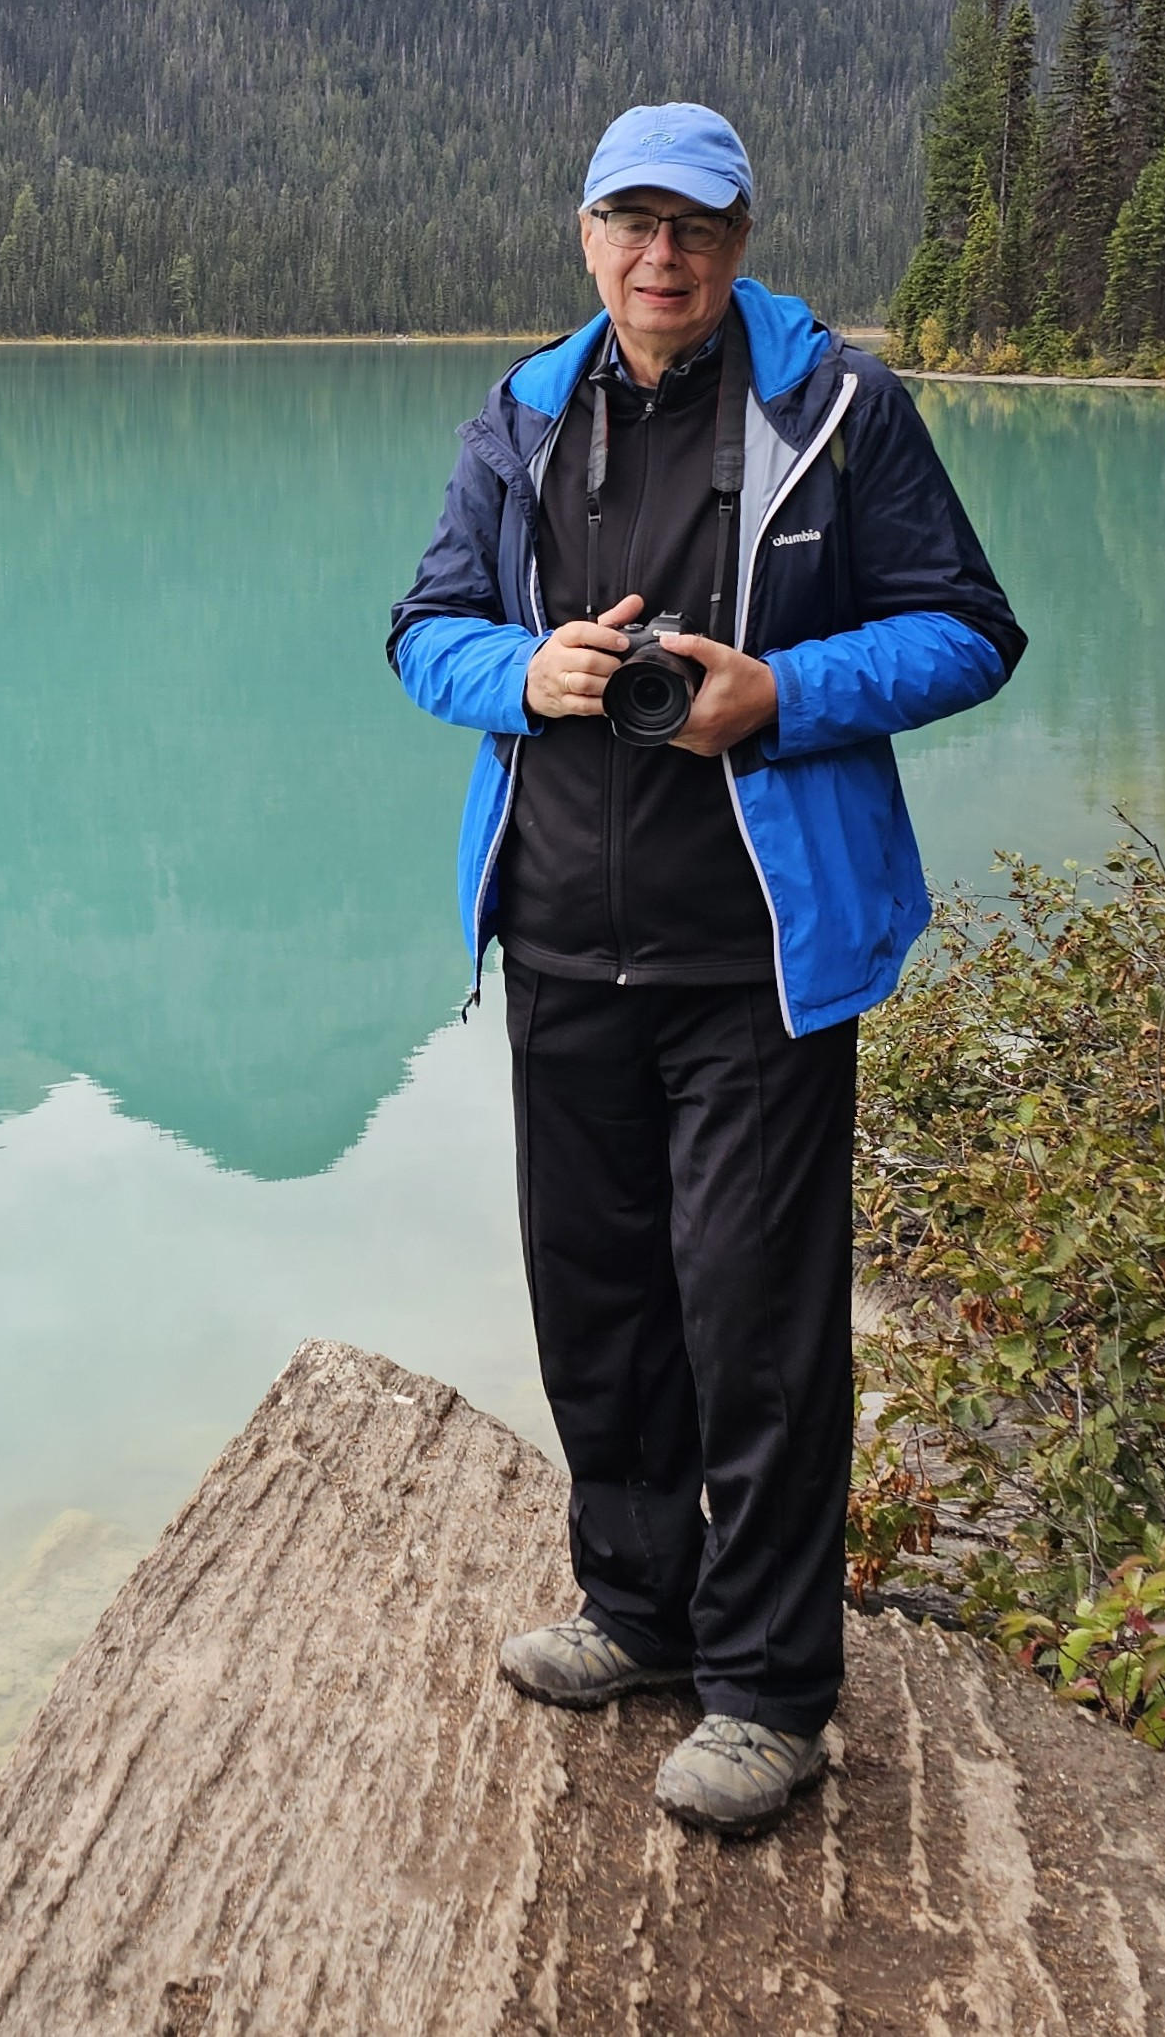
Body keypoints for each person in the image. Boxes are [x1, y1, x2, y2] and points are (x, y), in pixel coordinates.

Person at [386, 101, 1022, 1835]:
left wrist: (779, 692)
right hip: (562, 948)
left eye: (698, 227)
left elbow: (973, 630)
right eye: (631, 223)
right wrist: (529, 670)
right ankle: (637, 1608)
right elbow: (419, 630)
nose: (661, 258)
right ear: (586, 232)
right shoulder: (524, 415)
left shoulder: (837, 409)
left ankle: (768, 1692)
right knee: (600, 1307)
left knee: (755, 1321)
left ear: (742, 241)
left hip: (760, 956)